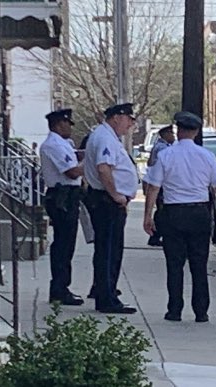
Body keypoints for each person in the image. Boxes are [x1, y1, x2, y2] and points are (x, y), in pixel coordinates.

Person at [143, 111, 216, 323]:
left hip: (173, 213)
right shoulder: (207, 156)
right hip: (199, 213)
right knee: (199, 264)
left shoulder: (166, 156)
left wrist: (148, 216)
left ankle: (174, 309)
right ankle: (201, 311)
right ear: (196, 132)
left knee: (174, 264)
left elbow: (153, 188)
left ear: (178, 130)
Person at [83, 103, 139, 314]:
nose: (130, 124)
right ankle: (106, 298)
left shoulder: (106, 136)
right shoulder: (105, 138)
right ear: (116, 117)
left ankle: (106, 290)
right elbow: (104, 168)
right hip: (107, 201)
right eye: (128, 119)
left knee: (109, 249)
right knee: (108, 250)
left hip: (107, 200)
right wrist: (116, 194)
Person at [39, 109, 85, 305]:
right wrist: (90, 162)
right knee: (63, 244)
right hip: (61, 196)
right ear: (58, 125)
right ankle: (59, 288)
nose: (70, 128)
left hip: (69, 196)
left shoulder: (63, 144)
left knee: (68, 244)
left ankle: (62, 286)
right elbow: (72, 172)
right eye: (67, 124)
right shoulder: (53, 145)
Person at [144, 125, 175, 246]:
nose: (173, 136)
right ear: (165, 135)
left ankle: (156, 235)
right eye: (171, 134)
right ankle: (155, 236)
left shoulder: (159, 146)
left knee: (161, 211)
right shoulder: (163, 148)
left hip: (159, 183)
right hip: (161, 184)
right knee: (162, 212)